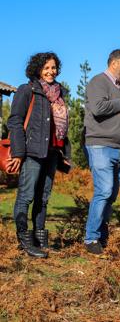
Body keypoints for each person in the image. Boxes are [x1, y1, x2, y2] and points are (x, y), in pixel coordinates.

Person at [7, 52, 71, 258]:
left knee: (43, 198)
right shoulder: (27, 90)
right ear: (37, 70)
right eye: (46, 68)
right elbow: (15, 121)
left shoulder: (60, 94)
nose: (51, 72)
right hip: (32, 152)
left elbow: (62, 127)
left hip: (52, 152)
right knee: (26, 196)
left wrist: (64, 153)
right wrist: (18, 152)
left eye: (53, 68)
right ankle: (24, 239)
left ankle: (40, 238)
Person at [83, 49, 120, 255]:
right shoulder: (98, 82)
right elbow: (97, 108)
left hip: (119, 149)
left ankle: (102, 237)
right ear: (114, 63)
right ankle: (91, 238)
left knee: (111, 195)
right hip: (100, 145)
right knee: (104, 191)